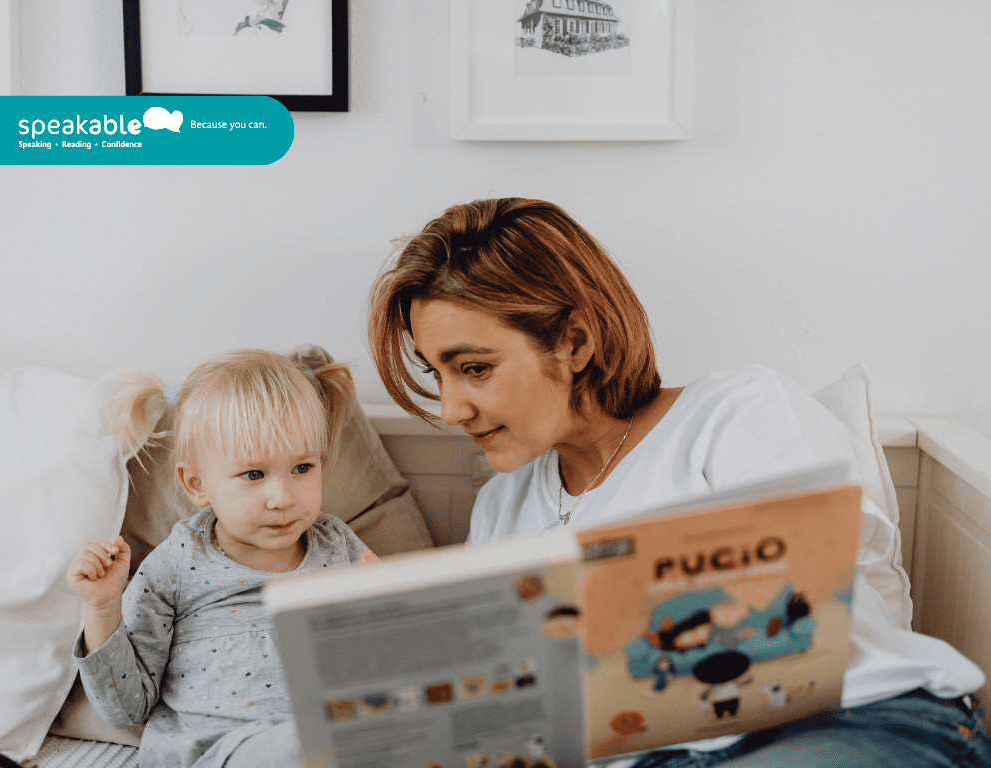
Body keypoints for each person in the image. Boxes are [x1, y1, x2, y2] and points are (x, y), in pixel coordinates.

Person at [368, 197, 989, 768]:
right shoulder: (500, 508)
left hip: (839, 720)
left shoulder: (736, 412)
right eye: (436, 374)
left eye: (474, 368)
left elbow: (799, 607)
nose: (450, 408)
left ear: (574, 342)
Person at [66, 349, 379, 768]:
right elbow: (127, 708)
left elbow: (387, 661)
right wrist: (103, 608)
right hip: (214, 752)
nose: (283, 498)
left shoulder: (338, 545)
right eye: (254, 474)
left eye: (303, 468)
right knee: (302, 745)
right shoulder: (176, 565)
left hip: (332, 739)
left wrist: (387, 608)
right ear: (196, 483)